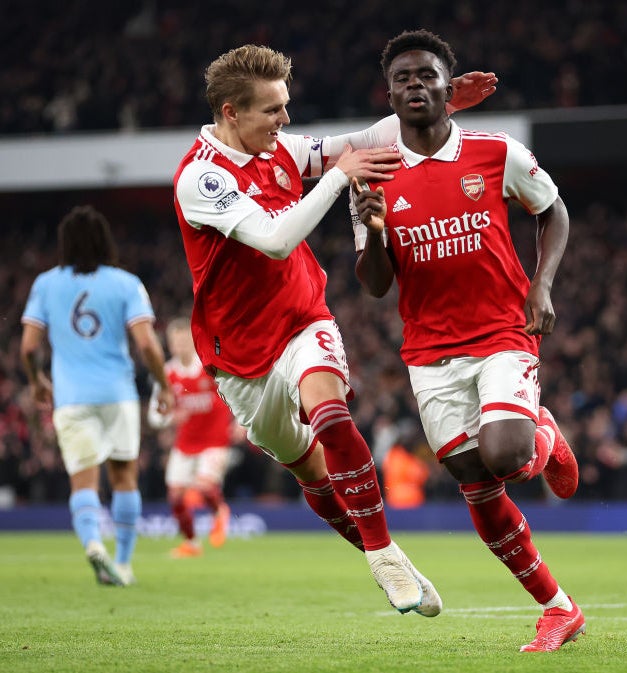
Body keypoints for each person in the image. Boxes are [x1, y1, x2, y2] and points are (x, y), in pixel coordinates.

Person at [173, 43, 496, 615]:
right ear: (231, 112)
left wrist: (437, 107)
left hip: (302, 318)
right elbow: (275, 238)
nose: (286, 121)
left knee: (330, 411)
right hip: (241, 359)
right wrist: (336, 179)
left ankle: (382, 556)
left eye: (285, 107)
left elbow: (360, 145)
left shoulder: (280, 149)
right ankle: (385, 549)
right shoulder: (200, 178)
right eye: (272, 110)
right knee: (313, 474)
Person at [351, 30, 584, 652]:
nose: (414, 86)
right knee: (475, 482)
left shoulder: (496, 151)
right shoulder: (373, 174)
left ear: (448, 89)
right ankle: (558, 608)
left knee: (506, 456)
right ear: (390, 94)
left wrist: (542, 284)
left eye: (425, 75)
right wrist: (372, 231)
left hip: (504, 331)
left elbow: (553, 209)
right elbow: (375, 285)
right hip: (429, 351)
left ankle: (542, 436)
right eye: (402, 78)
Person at [20, 205, 174, 586]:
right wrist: (164, 384)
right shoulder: (125, 283)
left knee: (83, 483)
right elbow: (148, 346)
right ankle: (123, 563)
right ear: (105, 242)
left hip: (71, 398)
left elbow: (27, 347)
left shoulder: (45, 284)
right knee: (124, 479)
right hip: (117, 394)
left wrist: (37, 380)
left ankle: (93, 543)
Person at [147, 317, 239, 558]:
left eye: (184, 340)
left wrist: (240, 423)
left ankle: (219, 511)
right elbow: (154, 417)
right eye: (175, 341)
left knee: (205, 486)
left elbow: (237, 392)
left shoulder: (210, 365)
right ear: (170, 344)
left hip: (215, 441)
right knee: (175, 495)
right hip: (185, 444)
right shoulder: (167, 374)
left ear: (193, 339)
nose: (180, 345)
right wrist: (168, 418)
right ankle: (191, 543)